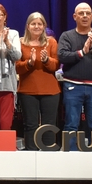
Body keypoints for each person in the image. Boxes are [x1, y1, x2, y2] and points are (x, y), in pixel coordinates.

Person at [57, 3, 92, 150]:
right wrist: (82, 52)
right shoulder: (67, 35)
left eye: (87, 13)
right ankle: (71, 155)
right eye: (81, 13)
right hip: (72, 86)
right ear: (74, 16)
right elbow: (62, 56)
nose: (84, 16)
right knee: (71, 123)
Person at [15, 12, 59, 149]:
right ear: (28, 26)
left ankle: (48, 157)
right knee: (30, 124)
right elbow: (17, 68)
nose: (37, 26)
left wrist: (46, 60)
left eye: (40, 24)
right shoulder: (20, 43)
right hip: (28, 90)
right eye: (33, 24)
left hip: (50, 90)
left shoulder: (51, 42)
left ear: (44, 26)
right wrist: (29, 62)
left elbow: (56, 65)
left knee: (49, 124)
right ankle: (31, 155)